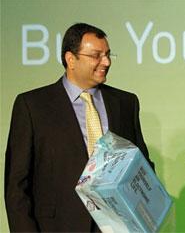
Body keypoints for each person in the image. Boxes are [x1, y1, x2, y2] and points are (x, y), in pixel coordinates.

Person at [5, 23, 154, 232]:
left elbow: (142, 167)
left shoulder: (126, 103)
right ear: (70, 59)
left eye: (108, 54)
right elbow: (17, 187)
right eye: (96, 55)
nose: (106, 62)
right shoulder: (32, 106)